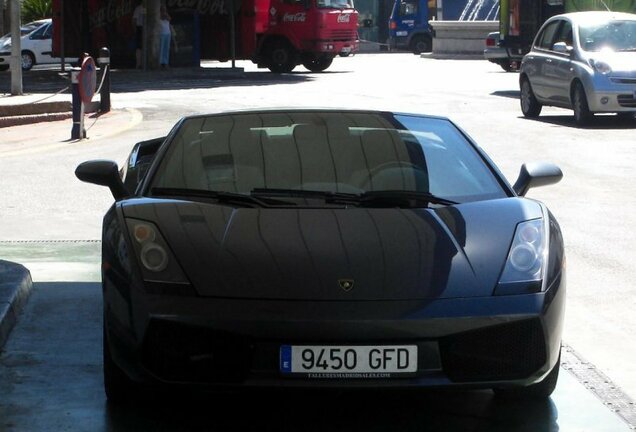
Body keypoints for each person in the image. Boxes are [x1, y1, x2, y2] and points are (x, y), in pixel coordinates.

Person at [133, 0, 145, 68]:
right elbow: (134, 20)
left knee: (145, 46)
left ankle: (145, 63)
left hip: (147, 28)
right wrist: (135, 30)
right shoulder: (138, 8)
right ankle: (138, 64)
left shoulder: (148, 9)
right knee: (139, 47)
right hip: (140, 28)